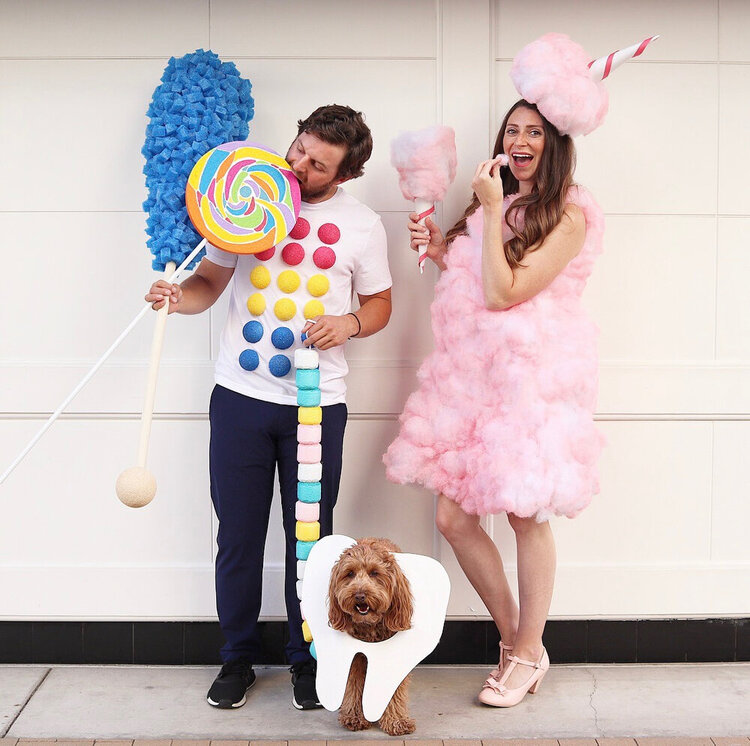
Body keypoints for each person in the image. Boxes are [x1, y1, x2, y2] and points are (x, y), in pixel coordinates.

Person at [146, 104, 392, 711]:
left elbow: (381, 303)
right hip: (239, 400)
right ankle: (236, 659)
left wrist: (350, 322)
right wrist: (176, 297)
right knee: (238, 536)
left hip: (316, 405)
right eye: (300, 147)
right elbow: (209, 285)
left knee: (310, 540)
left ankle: (306, 660)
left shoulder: (361, 225)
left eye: (317, 164)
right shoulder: (248, 196)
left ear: (345, 174)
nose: (298, 164)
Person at [383, 98, 604, 707]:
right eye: (513, 130)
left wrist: (484, 208)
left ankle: (528, 650)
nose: (521, 140)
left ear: (555, 143)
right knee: (453, 519)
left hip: (526, 383)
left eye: (534, 131)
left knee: (525, 515)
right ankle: (517, 640)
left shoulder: (569, 214)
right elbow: (472, 279)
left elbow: (504, 291)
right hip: (469, 381)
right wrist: (438, 245)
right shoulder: (497, 200)